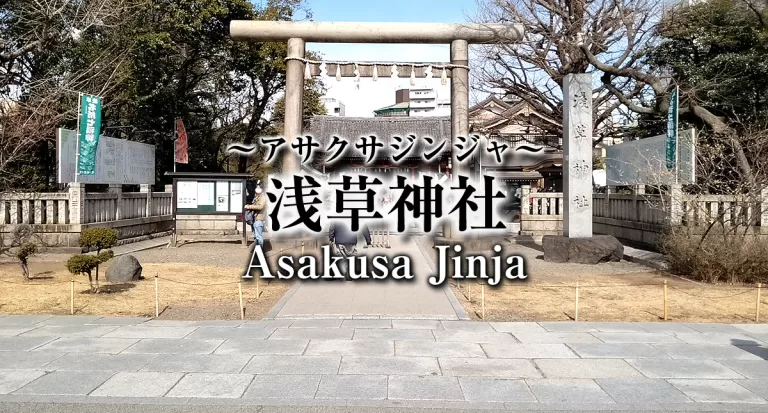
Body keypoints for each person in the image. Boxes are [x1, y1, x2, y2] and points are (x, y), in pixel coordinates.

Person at [244, 183, 266, 247]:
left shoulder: (263, 197)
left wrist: (249, 206)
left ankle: (260, 249)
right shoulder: (257, 197)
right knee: (255, 236)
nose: (257, 188)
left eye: (259, 187)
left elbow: (260, 206)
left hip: (259, 219)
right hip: (255, 219)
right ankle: (257, 248)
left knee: (258, 236)